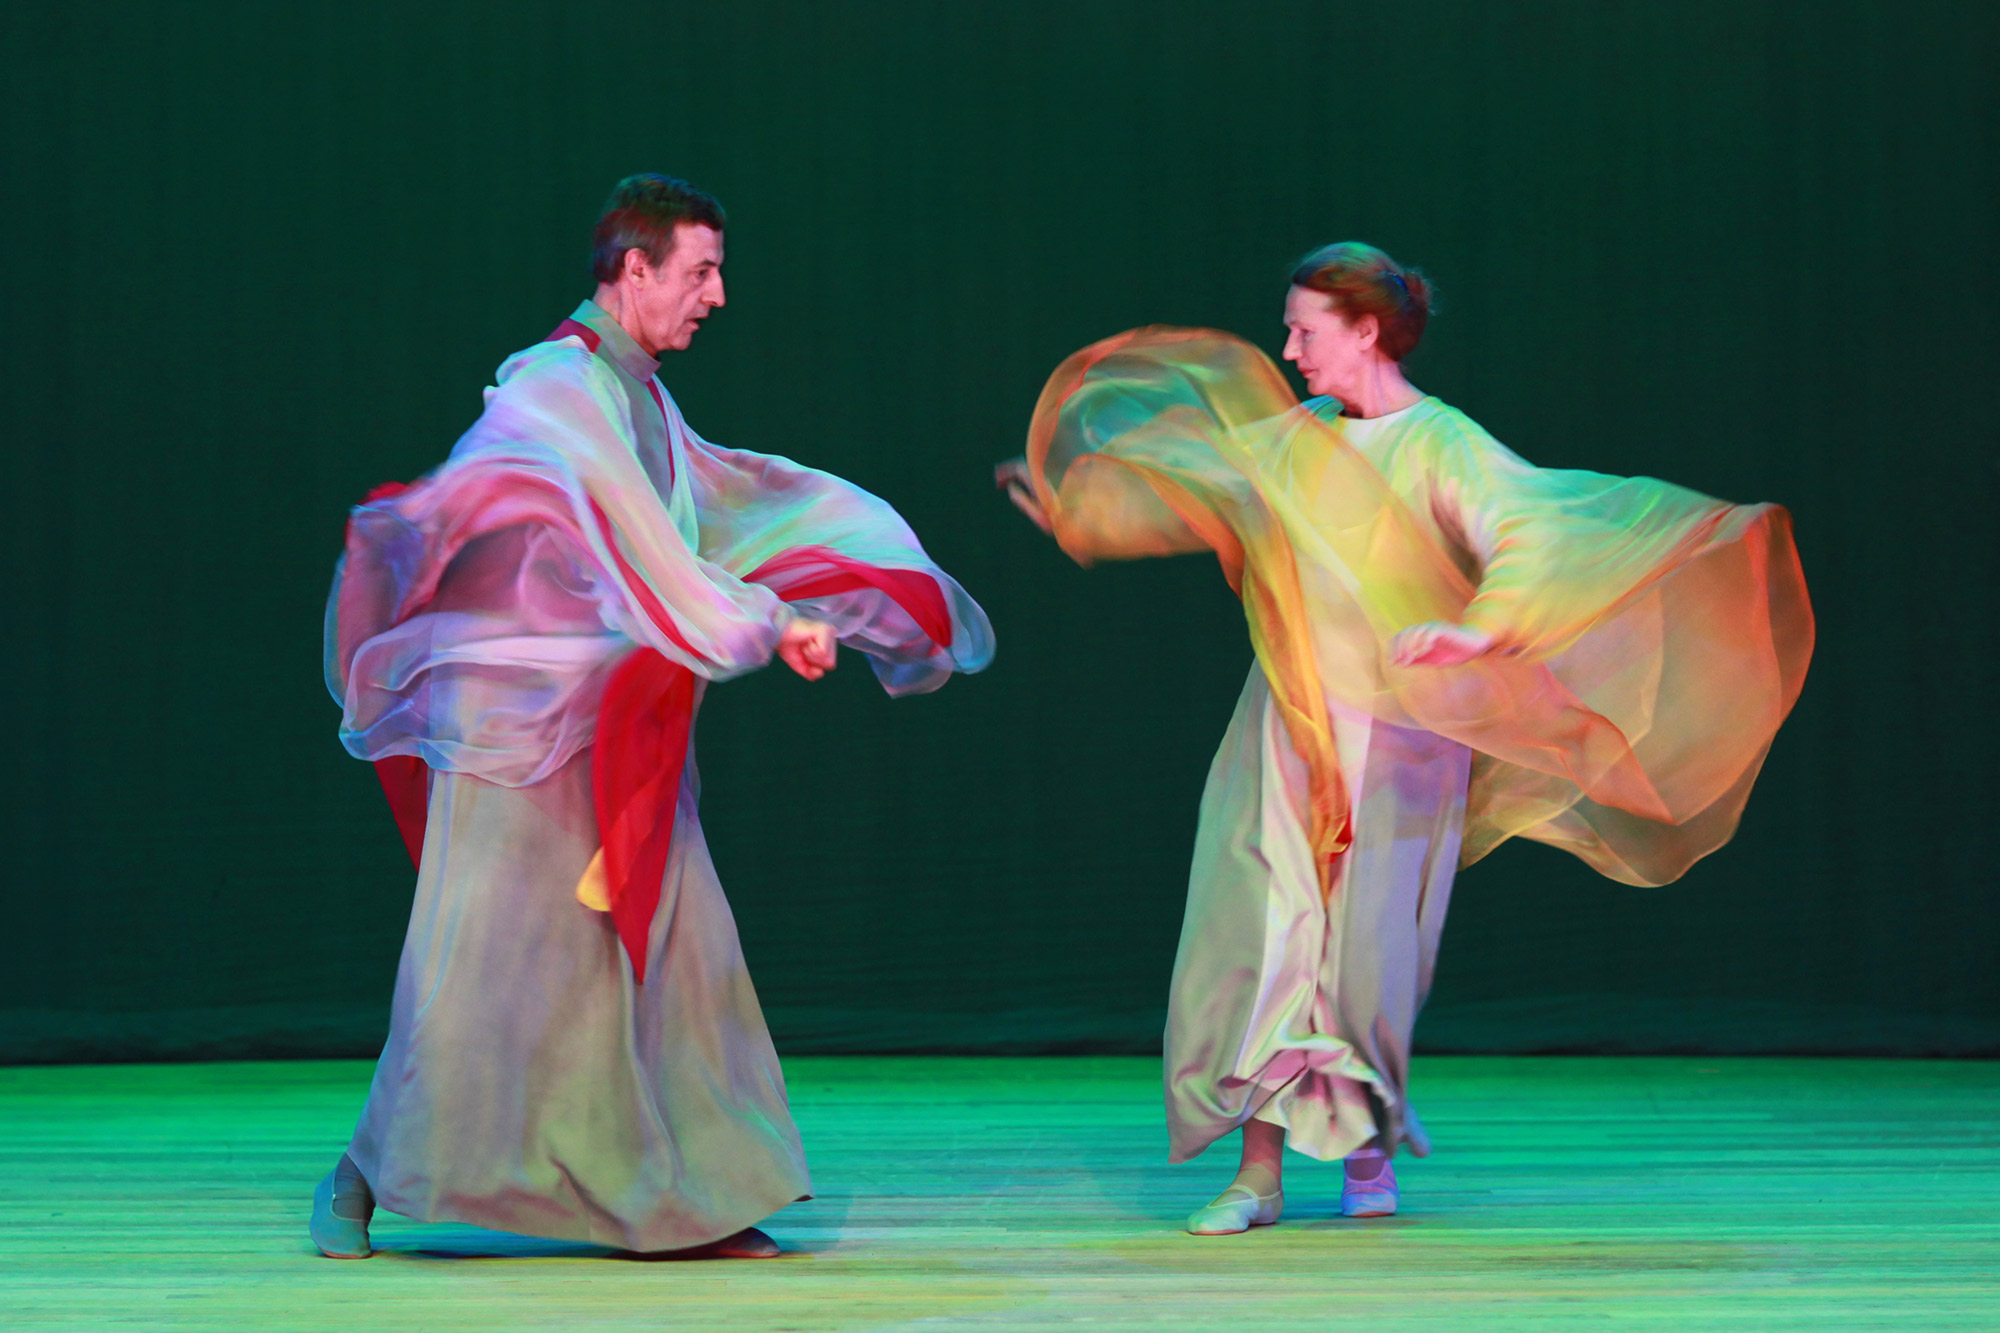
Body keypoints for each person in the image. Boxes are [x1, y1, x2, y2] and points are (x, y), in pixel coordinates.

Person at [997, 242, 1811, 1235]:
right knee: (1259, 936)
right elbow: (1203, 495)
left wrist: (1483, 627)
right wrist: (1085, 512)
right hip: (1288, 728)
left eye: (1305, 330)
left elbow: (1528, 530)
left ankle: (1365, 1148)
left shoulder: (1439, 442)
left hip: (1399, 739)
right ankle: (1257, 1175)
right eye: (1288, 330)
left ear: (1366, 331)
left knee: (1366, 954)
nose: (1289, 349)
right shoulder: (1297, 438)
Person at [313, 174, 993, 1259]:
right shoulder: (555, 388)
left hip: (609, 719)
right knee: (487, 968)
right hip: (518, 729)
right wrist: (767, 621)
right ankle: (362, 1173)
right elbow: (638, 545)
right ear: (634, 270)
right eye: (700, 271)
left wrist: (836, 587)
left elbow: (722, 503)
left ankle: (686, 1203)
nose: (717, 294)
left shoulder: (639, 396)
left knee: (675, 953)